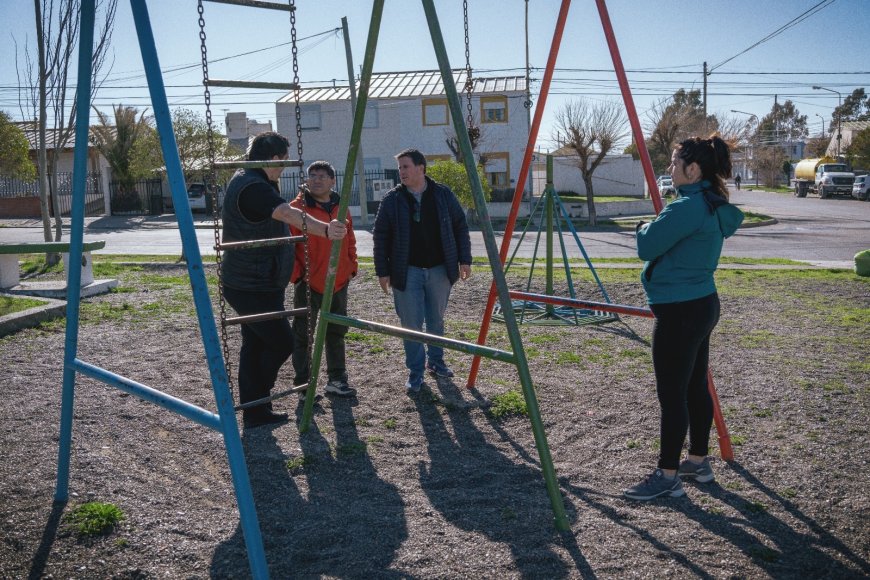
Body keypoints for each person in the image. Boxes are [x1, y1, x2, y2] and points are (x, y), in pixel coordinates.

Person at [625, 135, 744, 500]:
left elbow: (647, 245)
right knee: (694, 386)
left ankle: (667, 475)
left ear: (693, 170)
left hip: (679, 311)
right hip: (702, 303)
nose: (670, 169)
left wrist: (643, 225)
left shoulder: (687, 207)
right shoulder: (711, 203)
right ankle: (696, 460)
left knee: (672, 394)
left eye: (675, 163)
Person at [221, 132, 347, 428]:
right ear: (275, 158)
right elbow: (287, 213)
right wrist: (326, 229)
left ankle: (256, 411)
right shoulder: (253, 185)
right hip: (251, 283)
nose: (284, 170)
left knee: (254, 345)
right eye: (284, 163)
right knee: (281, 342)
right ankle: (256, 400)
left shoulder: (253, 179)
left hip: (259, 281)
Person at [372, 148, 472, 393]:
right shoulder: (392, 199)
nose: (401, 172)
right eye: (399, 168)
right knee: (411, 323)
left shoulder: (442, 194)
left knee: (436, 319)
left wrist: (464, 259)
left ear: (421, 167)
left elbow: (460, 226)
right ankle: (416, 371)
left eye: (405, 167)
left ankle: (436, 362)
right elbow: (380, 236)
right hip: (407, 271)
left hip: (439, 269)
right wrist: (382, 271)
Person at [289, 161, 358, 398]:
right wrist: (298, 276)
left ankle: (337, 379)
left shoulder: (341, 207)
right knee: (303, 334)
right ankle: (303, 385)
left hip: (338, 281)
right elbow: (291, 246)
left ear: (332, 181)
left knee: (336, 331)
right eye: (312, 175)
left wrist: (351, 267)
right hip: (309, 282)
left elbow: (349, 240)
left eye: (322, 176)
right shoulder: (297, 209)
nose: (316, 180)